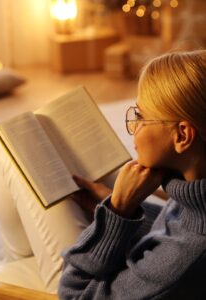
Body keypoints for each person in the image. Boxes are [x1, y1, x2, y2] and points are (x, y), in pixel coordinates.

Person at [58, 49, 206, 299]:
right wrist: (124, 209)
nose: (134, 127)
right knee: (99, 179)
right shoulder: (194, 183)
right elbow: (179, 223)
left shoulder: (179, 264)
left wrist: (117, 213)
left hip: (70, 287)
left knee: (9, 163)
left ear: (182, 135)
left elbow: (72, 294)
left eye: (140, 116)